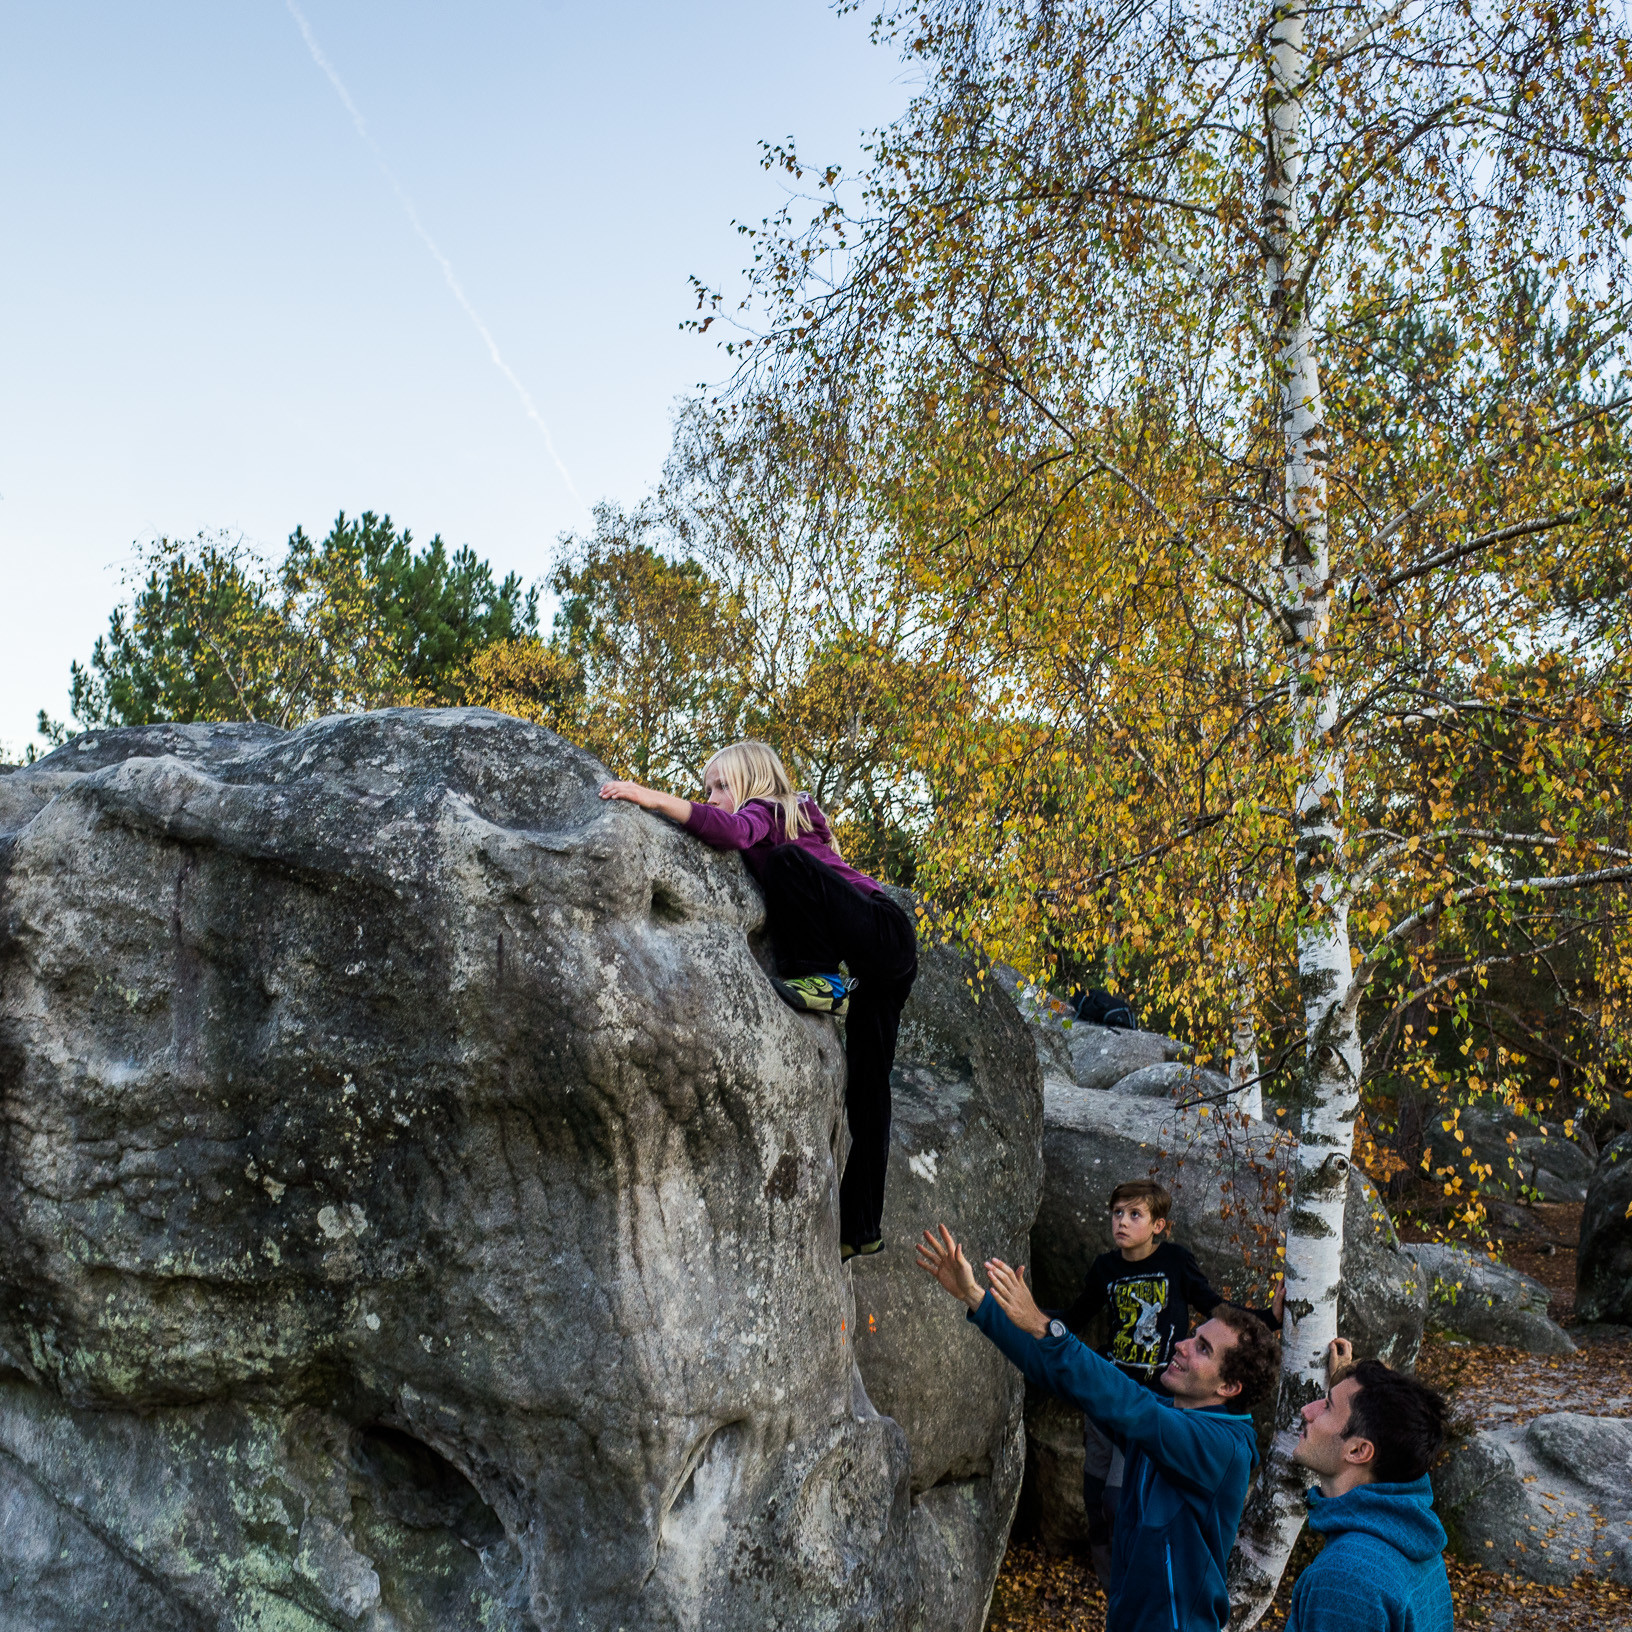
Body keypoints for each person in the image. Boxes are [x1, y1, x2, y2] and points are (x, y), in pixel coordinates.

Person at [600, 741, 917, 1261]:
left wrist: (647, 797)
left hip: (883, 930)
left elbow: (730, 831)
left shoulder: (771, 811)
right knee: (868, 1095)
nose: (712, 796)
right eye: (707, 788)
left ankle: (820, 982)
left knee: (789, 863)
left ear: (753, 780)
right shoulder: (791, 818)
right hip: (883, 966)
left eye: (721, 785)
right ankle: (862, 1227)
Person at [917, 1224, 1281, 1632]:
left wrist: (1045, 1325)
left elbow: (1130, 1405)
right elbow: (1065, 1378)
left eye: (1203, 1348)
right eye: (1194, 1335)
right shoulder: (1169, 1415)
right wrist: (975, 1297)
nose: (1182, 1343)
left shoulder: (1222, 1447)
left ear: (1228, 1387)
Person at [1054, 1180, 1285, 1585]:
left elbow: (1217, 1310)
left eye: (1135, 1214)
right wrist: (1024, 1315)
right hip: (1105, 1398)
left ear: (1159, 1225)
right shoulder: (1105, 1269)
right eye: (1117, 1213)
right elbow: (1076, 1317)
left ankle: (1128, 1578)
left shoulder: (1176, 1262)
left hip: (1150, 1407)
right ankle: (1111, 1583)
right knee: (1095, 1494)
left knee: (1116, 1498)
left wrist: (1270, 1318)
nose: (1122, 1222)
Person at [1285, 1336, 1453, 1632]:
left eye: (1325, 1407)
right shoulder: (1412, 1536)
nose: (1306, 1411)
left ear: (1358, 1451)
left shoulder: (1345, 1578)